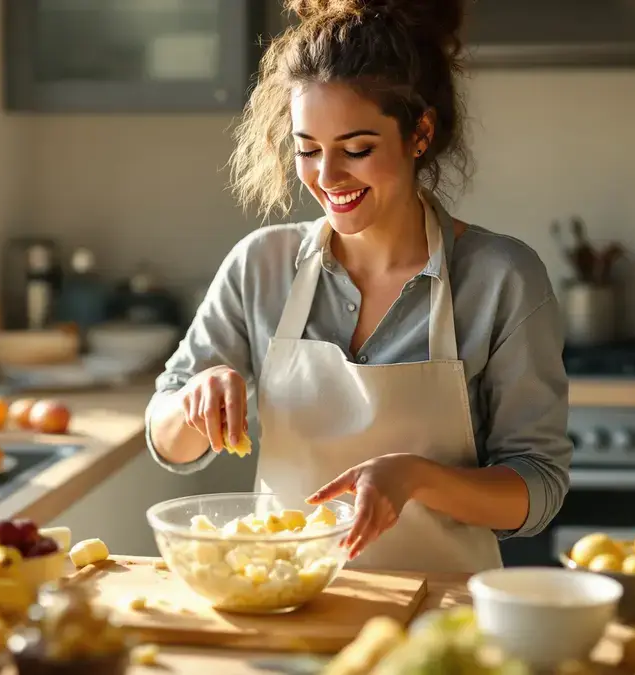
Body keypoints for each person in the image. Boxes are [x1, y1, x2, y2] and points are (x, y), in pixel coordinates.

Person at [145, 0, 572, 575]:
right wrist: (191, 405)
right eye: (308, 150)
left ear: (419, 132)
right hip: (285, 607)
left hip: (439, 618)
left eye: (357, 149)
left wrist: (417, 478)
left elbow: (537, 487)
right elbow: (170, 445)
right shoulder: (261, 266)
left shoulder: (501, 279)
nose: (327, 178)